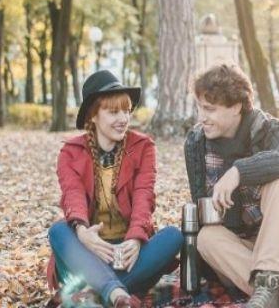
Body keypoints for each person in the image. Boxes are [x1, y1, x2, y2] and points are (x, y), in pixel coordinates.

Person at [184, 63, 279, 308]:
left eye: (209, 109)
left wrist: (239, 172)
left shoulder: (266, 128)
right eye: (199, 107)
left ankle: (274, 285)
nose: (202, 117)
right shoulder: (196, 142)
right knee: (205, 237)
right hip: (241, 255)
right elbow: (203, 207)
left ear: (236, 107)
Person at [46, 70, 183, 308]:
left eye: (126, 111)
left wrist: (136, 239)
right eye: (113, 112)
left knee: (174, 235)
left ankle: (97, 292)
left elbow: (144, 195)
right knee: (58, 231)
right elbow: (72, 194)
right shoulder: (71, 152)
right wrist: (82, 232)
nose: (123, 118)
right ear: (93, 116)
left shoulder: (143, 147)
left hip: (128, 255)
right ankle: (117, 293)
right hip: (85, 255)